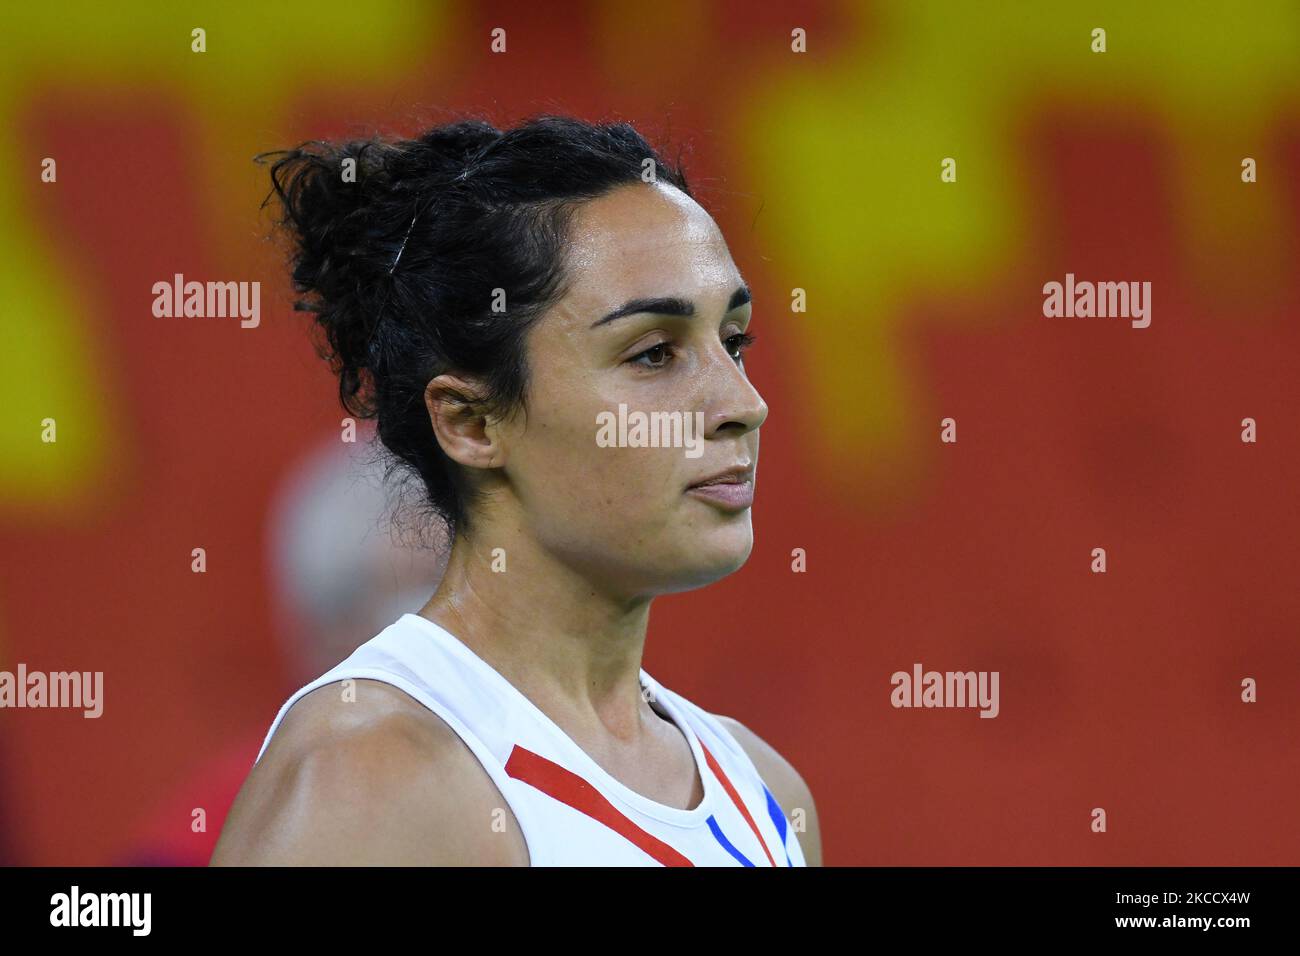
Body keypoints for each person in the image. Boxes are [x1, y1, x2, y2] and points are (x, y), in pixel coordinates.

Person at [211, 114, 821, 866]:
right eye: (654, 353)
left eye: (734, 343)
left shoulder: (766, 794)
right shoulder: (372, 783)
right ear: (471, 423)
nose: (743, 404)